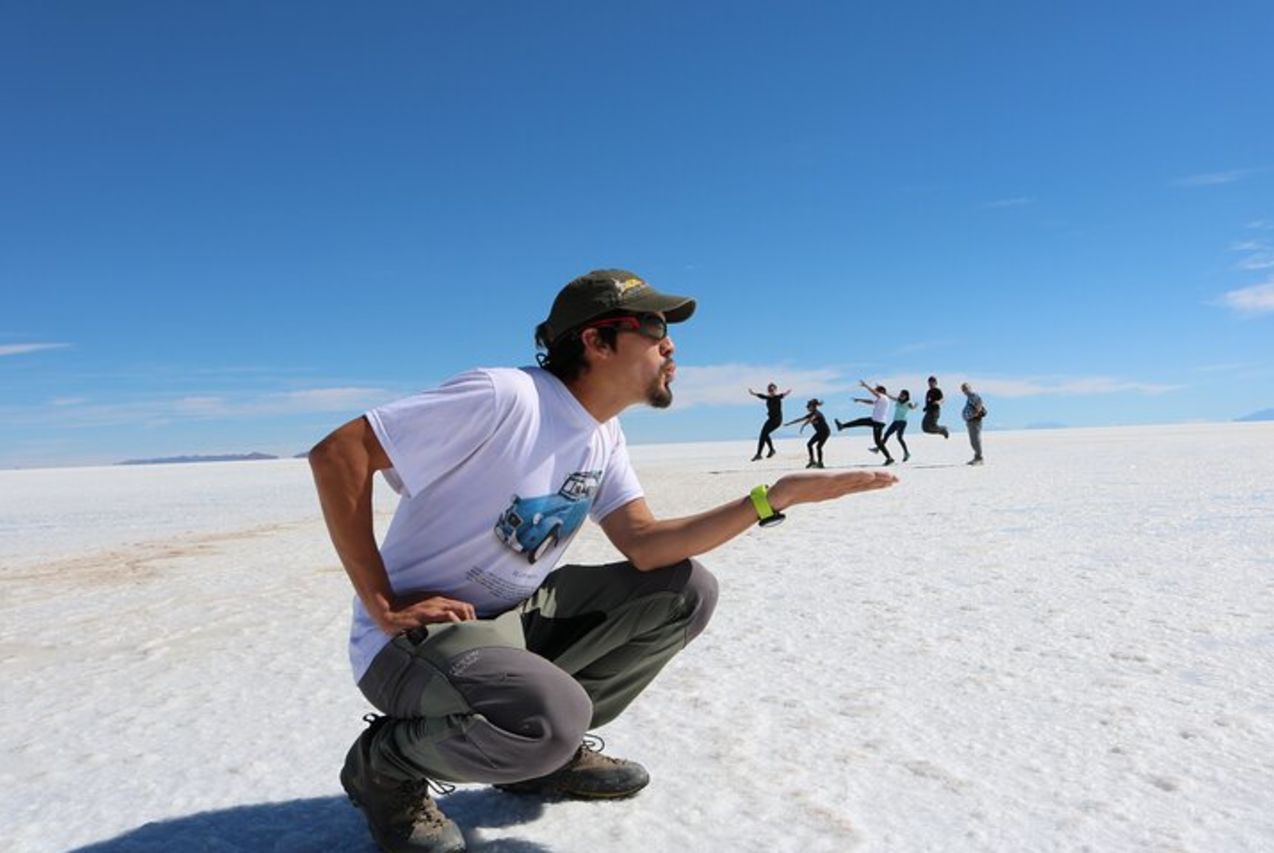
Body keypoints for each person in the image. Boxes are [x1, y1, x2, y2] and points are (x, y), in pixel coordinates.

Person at [309, 268, 899, 853]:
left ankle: (540, 756)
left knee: (684, 589)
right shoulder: (505, 396)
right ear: (595, 341)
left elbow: (644, 543)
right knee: (550, 717)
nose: (670, 345)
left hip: (510, 621)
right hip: (416, 642)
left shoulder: (603, 434)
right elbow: (340, 453)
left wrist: (771, 499)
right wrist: (381, 601)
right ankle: (385, 767)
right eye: (652, 326)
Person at [835, 380, 894, 465]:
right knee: (877, 441)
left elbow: (874, 393)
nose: (875, 392)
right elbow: (870, 402)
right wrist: (859, 400)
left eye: (877, 390)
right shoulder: (880, 399)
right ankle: (889, 458)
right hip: (876, 421)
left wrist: (866, 386)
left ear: (882, 391)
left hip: (878, 422)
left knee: (861, 423)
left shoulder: (883, 397)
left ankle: (842, 426)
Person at [784, 397, 831, 468]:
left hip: (825, 432)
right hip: (819, 432)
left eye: (808, 406)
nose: (807, 408)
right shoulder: (811, 414)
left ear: (812, 406)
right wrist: (789, 423)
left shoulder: (817, 413)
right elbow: (800, 419)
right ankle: (812, 461)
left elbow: (813, 418)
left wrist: (805, 424)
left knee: (818, 447)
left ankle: (820, 463)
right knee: (809, 444)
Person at [748, 383, 790, 461]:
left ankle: (760, 454)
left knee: (764, 434)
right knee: (763, 434)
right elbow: (761, 396)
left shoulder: (777, 397)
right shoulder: (767, 398)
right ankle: (770, 451)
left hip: (777, 420)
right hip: (770, 420)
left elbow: (783, 395)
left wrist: (787, 392)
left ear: (775, 390)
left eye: (772, 389)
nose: (771, 391)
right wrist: (753, 393)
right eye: (769, 390)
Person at [881, 390, 916, 462]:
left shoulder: (908, 403)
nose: (901, 396)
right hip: (895, 421)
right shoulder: (898, 400)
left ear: (906, 396)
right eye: (900, 394)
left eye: (902, 395)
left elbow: (912, 407)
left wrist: (914, 406)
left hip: (902, 422)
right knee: (886, 434)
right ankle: (879, 448)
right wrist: (885, 393)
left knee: (899, 437)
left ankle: (906, 453)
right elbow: (890, 397)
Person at [961, 382, 986, 465]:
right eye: (963, 389)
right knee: (973, 440)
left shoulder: (974, 396)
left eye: (966, 388)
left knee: (975, 439)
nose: (965, 390)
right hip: (971, 421)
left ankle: (979, 458)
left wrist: (975, 413)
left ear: (970, 388)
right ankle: (976, 457)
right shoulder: (969, 398)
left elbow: (979, 404)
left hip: (975, 421)